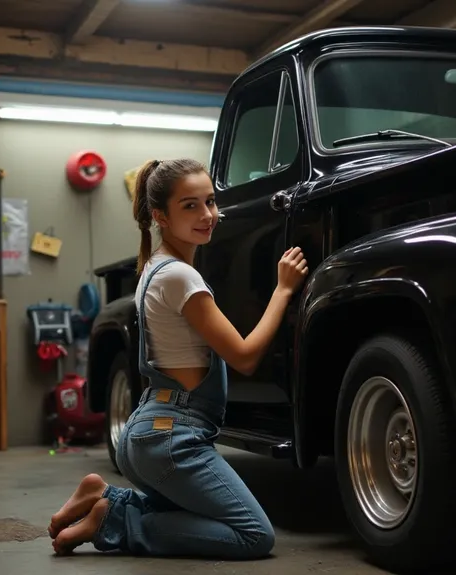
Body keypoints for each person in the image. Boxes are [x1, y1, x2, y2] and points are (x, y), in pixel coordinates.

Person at [47, 158, 308, 558]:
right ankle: (116, 520)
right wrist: (283, 290)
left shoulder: (154, 267)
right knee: (254, 535)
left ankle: (106, 498)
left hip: (149, 432)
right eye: (190, 205)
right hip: (172, 439)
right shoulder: (181, 277)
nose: (207, 215)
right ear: (160, 215)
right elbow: (244, 357)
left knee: (191, 512)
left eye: (211, 202)